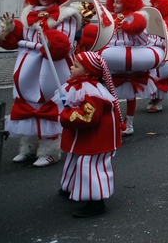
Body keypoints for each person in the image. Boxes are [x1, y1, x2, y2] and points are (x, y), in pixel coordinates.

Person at [0, 0, 80, 166]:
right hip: (28, 64)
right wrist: (8, 30)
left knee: (48, 103)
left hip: (51, 66)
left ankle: (50, 151)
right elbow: (19, 38)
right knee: (28, 103)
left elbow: (63, 45)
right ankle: (28, 148)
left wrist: (46, 36)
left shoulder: (67, 15)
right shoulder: (29, 12)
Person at [56, 51, 123, 217]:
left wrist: (65, 115)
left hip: (98, 137)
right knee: (73, 157)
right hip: (86, 134)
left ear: (87, 72)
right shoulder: (78, 85)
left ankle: (96, 201)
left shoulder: (92, 91)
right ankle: (71, 186)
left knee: (90, 164)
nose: (71, 67)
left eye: (76, 65)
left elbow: (88, 117)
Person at [98, 0, 165, 136]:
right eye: (113, 1)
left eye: (118, 2)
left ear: (127, 2)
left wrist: (133, 29)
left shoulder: (138, 18)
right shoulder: (110, 19)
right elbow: (107, 39)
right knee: (110, 92)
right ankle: (114, 121)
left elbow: (143, 41)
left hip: (132, 59)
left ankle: (129, 123)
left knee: (130, 94)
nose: (114, 5)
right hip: (114, 59)